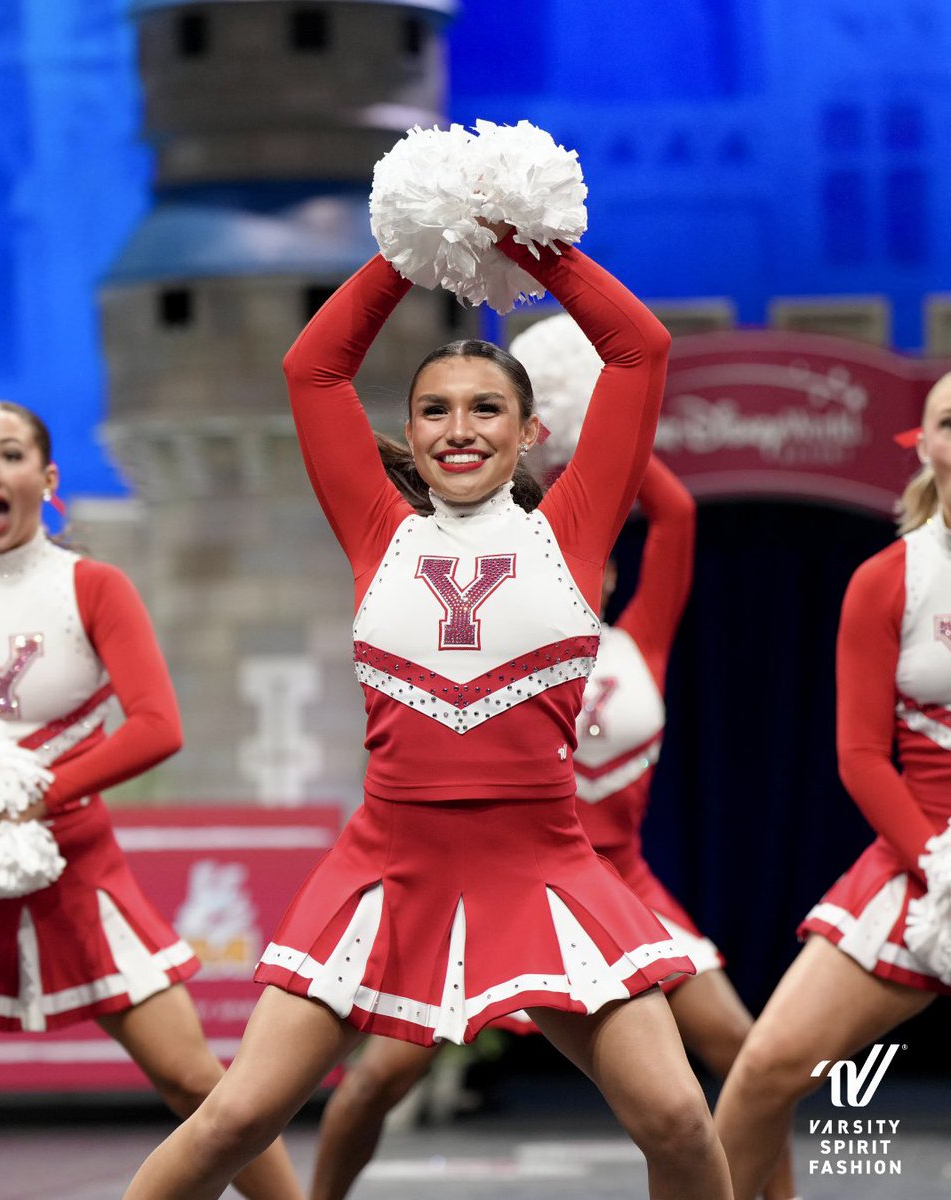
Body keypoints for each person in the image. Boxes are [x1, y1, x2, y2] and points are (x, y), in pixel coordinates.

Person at [123, 220, 735, 1199]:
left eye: (487, 408)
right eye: (436, 410)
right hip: (386, 870)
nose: (460, 429)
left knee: (677, 1120)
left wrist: (528, 248)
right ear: (408, 434)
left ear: (530, 432)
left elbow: (639, 349)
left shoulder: (574, 532)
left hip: (542, 867)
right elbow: (313, 368)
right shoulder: (377, 531)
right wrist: (417, 244)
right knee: (236, 1117)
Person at [306, 454, 795, 1200]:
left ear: (607, 570)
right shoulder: (492, 638)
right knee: (380, 1078)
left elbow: (677, 515)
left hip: (615, 883)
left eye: (585, 555)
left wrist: (574, 433)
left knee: (744, 1052)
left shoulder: (642, 644)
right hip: (500, 874)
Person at [0, 401, 304, 1200]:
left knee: (196, 1082)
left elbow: (158, 726)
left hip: (77, 871)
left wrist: (37, 795)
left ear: (47, 478)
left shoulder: (90, 586)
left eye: (9, 454)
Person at [713, 373, 951, 1199]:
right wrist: (940, 865)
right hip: (917, 863)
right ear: (924, 446)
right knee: (763, 1074)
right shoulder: (889, 579)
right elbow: (860, 756)